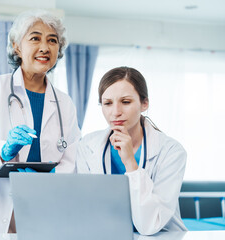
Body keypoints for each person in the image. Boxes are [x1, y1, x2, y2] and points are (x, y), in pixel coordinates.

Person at [0, 10, 81, 239]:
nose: (45, 47)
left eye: (52, 40)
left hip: (42, 208)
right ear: (17, 47)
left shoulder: (65, 103)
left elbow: (73, 158)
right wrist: (4, 150)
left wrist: (51, 176)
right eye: (35, 38)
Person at [76, 67, 187, 235]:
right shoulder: (87, 145)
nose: (115, 112)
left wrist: (130, 163)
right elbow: (86, 208)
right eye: (107, 103)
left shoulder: (171, 151)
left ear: (144, 104)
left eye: (126, 102)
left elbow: (149, 225)